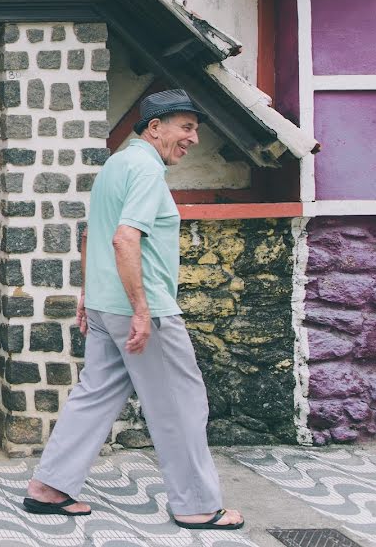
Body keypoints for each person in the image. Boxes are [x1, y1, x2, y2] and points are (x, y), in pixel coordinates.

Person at [23, 89, 245, 530]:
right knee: (181, 404)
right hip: (141, 309)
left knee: (95, 394)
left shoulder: (116, 165)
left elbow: (90, 234)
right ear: (155, 127)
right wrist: (143, 311)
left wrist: (88, 295)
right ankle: (196, 505)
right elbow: (125, 238)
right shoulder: (145, 169)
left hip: (107, 305)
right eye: (186, 127)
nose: (193, 139)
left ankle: (48, 488)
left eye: (195, 129)